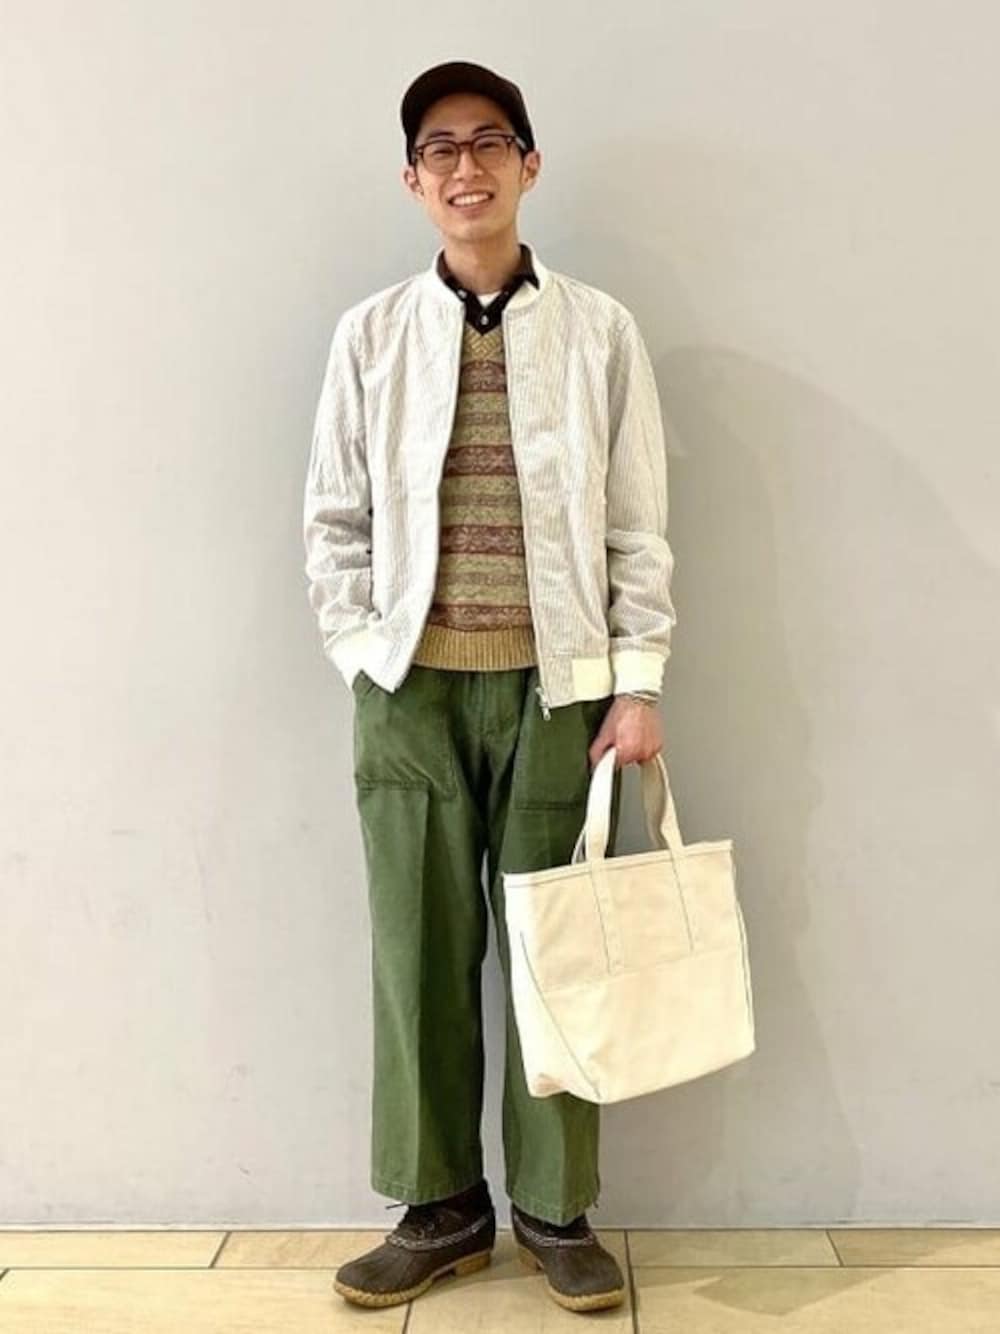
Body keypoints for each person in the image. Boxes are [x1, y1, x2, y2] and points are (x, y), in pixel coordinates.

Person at [302, 59, 677, 1314]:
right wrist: (363, 652)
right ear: (413, 179)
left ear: (528, 163)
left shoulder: (598, 330)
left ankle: (557, 1209)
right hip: (407, 691)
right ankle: (440, 1206)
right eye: (441, 148)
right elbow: (332, 520)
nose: (466, 166)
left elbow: (636, 524)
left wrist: (637, 680)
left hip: (559, 694)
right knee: (416, 951)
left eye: (489, 141)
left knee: (556, 954)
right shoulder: (369, 335)